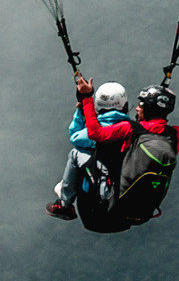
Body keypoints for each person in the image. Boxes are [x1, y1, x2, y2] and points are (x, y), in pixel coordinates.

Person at [76, 68, 179, 226]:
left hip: (110, 201)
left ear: (149, 108)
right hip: (144, 212)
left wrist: (87, 98)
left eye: (141, 105)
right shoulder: (176, 135)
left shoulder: (129, 128)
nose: (136, 108)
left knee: (79, 155)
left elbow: (95, 133)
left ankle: (63, 201)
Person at [48, 79, 132, 219]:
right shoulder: (131, 129)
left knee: (76, 154)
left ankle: (64, 204)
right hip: (122, 193)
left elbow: (76, 137)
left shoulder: (96, 130)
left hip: (100, 197)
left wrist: (82, 111)